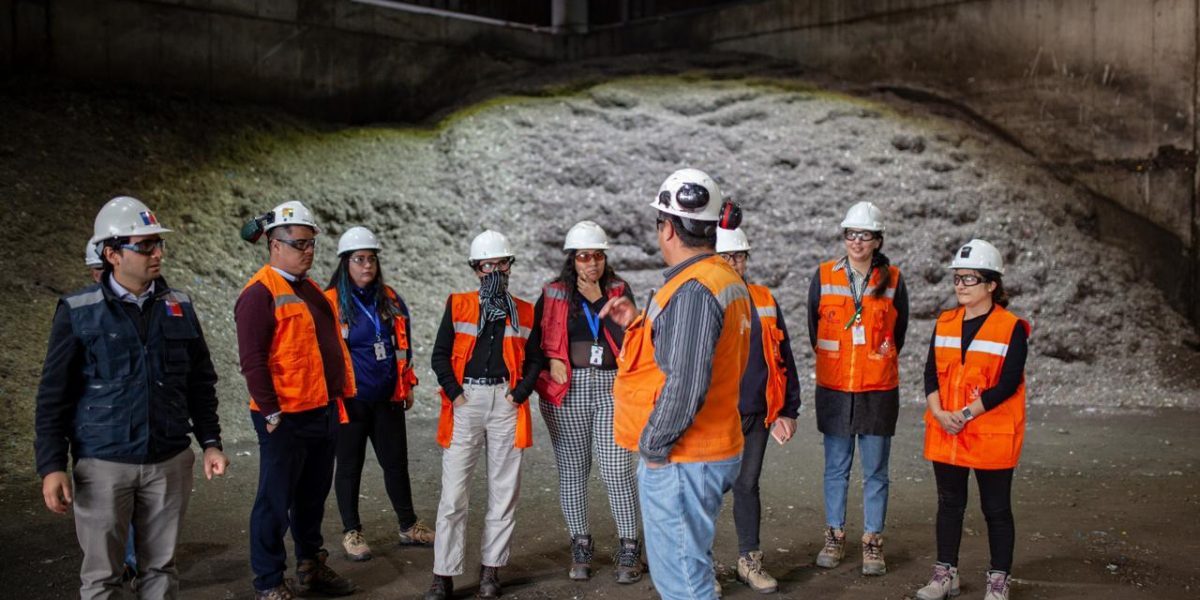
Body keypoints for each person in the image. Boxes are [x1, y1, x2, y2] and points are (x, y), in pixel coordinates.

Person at [35, 196, 228, 599]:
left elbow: (199, 382)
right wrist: (52, 465)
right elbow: (54, 395)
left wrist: (210, 442)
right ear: (112, 254)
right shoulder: (78, 310)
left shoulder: (180, 307)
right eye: (144, 246)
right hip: (104, 464)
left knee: (160, 569)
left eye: (158, 244)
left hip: (169, 460)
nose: (156, 253)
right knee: (103, 577)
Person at [602, 168, 750, 600]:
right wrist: (637, 322)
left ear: (667, 228)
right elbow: (690, 353)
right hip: (710, 446)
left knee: (684, 584)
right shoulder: (722, 279)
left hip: (685, 456)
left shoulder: (693, 290)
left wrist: (653, 446)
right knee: (693, 567)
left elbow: (685, 383)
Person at [235, 200, 357, 600]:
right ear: (274, 244)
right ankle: (269, 580)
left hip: (319, 410)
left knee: (310, 498)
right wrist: (270, 412)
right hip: (284, 417)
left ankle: (310, 565)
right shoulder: (259, 294)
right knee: (275, 501)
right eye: (300, 243)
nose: (308, 250)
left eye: (311, 243)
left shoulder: (310, 291)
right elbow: (252, 361)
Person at [423, 230, 539, 600]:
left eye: (501, 263)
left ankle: (492, 570)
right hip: (467, 400)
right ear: (476, 269)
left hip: (505, 402)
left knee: (504, 492)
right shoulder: (458, 305)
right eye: (488, 264)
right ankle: (443, 574)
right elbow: (440, 355)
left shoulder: (524, 311)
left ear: (509, 265)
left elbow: (535, 359)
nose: (496, 270)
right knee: (454, 494)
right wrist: (456, 394)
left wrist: (519, 394)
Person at [528, 220, 643, 583]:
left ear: (605, 258)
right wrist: (551, 361)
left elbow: (634, 339)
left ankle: (629, 546)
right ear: (572, 260)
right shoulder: (553, 293)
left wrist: (598, 300)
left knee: (616, 471)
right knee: (573, 472)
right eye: (583, 257)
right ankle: (580, 543)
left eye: (597, 256)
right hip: (569, 390)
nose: (591, 263)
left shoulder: (619, 290)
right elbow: (533, 344)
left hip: (612, 388)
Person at [915, 239, 1029, 600]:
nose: (960, 285)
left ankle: (999, 579)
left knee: (995, 508)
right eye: (957, 278)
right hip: (947, 430)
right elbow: (930, 373)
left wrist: (963, 414)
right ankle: (945, 573)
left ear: (992, 284)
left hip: (988, 433)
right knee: (949, 504)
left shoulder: (1011, 327)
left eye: (970, 279)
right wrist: (938, 412)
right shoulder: (946, 322)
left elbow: (1008, 383)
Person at [807, 201, 908, 575]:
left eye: (864, 236)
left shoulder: (894, 279)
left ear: (878, 240)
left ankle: (872, 542)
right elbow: (814, 329)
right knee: (836, 468)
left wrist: (873, 361)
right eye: (851, 234)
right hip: (835, 389)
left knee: (876, 470)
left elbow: (900, 331)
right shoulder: (823, 275)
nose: (857, 242)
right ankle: (834, 536)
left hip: (878, 389)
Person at [324, 226, 433, 561]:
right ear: (345, 263)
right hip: (350, 402)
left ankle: (408, 525)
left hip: (387, 399)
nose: (367, 266)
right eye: (359, 260)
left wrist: (407, 385)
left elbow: (403, 346)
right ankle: (352, 532)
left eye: (371, 259)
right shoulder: (329, 303)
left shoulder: (390, 299)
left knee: (395, 464)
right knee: (349, 466)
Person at [715, 227, 802, 594]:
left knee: (747, 486)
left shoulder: (764, 299)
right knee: (707, 490)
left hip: (756, 414)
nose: (733, 263)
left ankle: (748, 561)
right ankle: (696, 563)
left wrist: (788, 410)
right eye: (725, 257)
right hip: (714, 417)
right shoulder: (703, 298)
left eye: (738, 256)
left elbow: (784, 359)